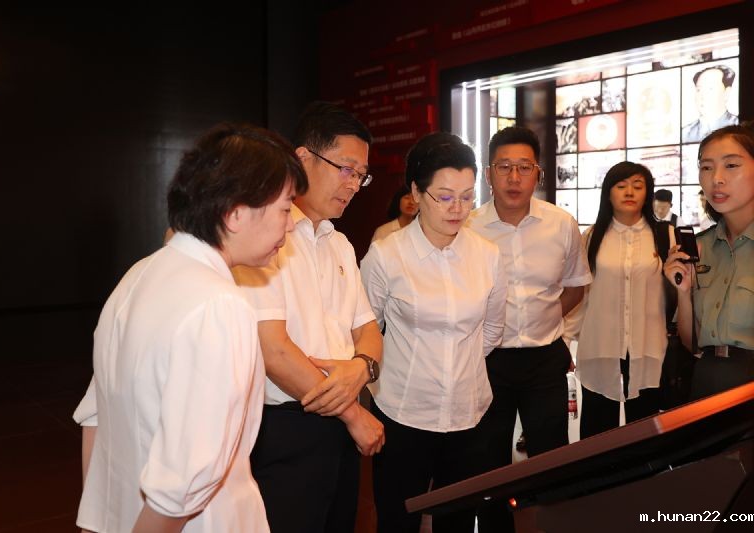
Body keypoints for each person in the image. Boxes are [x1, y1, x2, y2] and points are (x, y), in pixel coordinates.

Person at [73, 123, 308, 533]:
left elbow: (96, 417)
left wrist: (97, 523)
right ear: (235, 213)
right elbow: (183, 484)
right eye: (286, 209)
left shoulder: (139, 274)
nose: (290, 226)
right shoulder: (221, 304)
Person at [232, 102, 384, 533]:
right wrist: (353, 414)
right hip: (286, 425)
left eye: (361, 175)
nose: (353, 184)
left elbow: (368, 330)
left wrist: (361, 368)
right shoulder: (265, 236)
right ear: (302, 158)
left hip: (340, 420)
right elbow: (275, 351)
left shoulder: (339, 244)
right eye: (346, 169)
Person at [360, 132, 507, 532]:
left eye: (467, 196)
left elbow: (492, 330)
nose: (457, 208)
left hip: (469, 414)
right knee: (397, 520)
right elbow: (365, 329)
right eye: (444, 197)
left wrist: (458, 363)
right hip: (403, 414)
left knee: (456, 521)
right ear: (415, 193)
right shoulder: (386, 255)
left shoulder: (487, 255)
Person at [467, 126, 591, 530]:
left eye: (524, 167)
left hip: (544, 360)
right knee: (488, 461)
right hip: (488, 361)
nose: (514, 177)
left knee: (550, 459)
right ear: (489, 173)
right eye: (504, 167)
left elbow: (576, 286)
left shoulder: (561, 224)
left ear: (538, 172)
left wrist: (547, 316)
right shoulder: (467, 227)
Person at [568, 162, 670, 439]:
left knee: (646, 431)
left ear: (647, 193)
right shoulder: (591, 237)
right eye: (621, 185)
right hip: (600, 344)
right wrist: (565, 339)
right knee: (598, 432)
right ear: (608, 193)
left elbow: (676, 291)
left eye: (638, 186)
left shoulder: (664, 236)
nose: (629, 192)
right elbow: (582, 294)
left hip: (648, 345)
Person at [664, 123, 754, 399]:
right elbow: (692, 344)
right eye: (706, 167)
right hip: (707, 380)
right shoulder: (701, 247)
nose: (716, 178)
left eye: (731, 165)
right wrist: (684, 292)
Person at [682, 65, 739, 143]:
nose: (702, 96)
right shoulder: (685, 133)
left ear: (727, 93)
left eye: (710, 89)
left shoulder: (738, 127)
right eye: (699, 90)